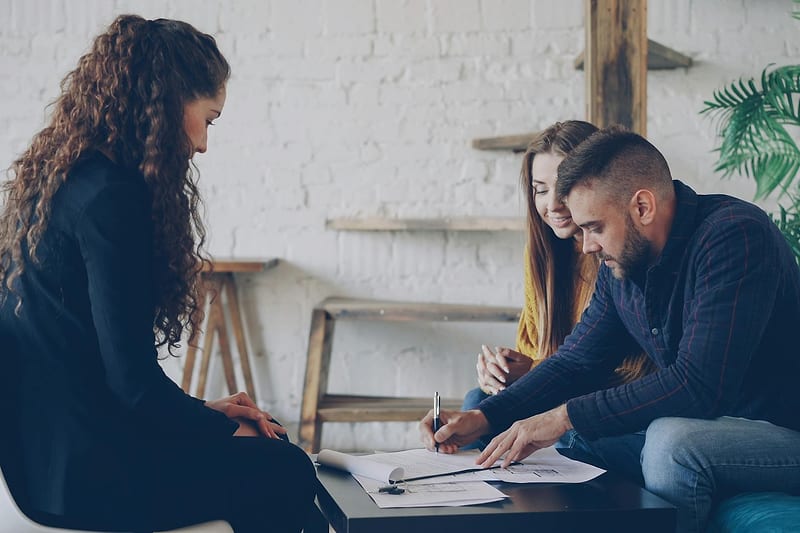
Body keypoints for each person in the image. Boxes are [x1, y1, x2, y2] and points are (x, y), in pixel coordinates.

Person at [0, 15, 316, 533]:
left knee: (267, 448)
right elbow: (133, 387)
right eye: (208, 119)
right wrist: (218, 426)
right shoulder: (113, 198)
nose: (204, 145)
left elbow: (109, 377)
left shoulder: (64, 181)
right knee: (284, 466)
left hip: (43, 463)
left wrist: (206, 415)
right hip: (85, 476)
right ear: (170, 102)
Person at [420, 126, 800, 532]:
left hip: (779, 433)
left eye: (595, 227)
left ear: (642, 207)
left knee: (671, 443)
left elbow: (699, 385)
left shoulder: (734, 235)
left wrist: (565, 416)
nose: (586, 246)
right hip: (700, 427)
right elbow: (575, 362)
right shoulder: (622, 264)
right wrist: (483, 415)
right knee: (525, 425)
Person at [461, 121, 654, 451]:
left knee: (568, 432)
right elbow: (541, 352)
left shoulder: (619, 250)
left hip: (611, 407)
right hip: (561, 393)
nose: (552, 204)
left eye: (564, 185)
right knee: (478, 398)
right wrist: (503, 371)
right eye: (540, 189)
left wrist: (534, 373)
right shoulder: (543, 254)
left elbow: (632, 373)